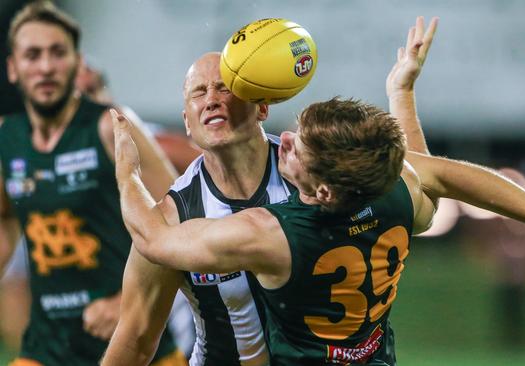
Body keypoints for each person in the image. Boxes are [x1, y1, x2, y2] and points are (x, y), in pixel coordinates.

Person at [101, 16, 438, 366]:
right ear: (187, 121)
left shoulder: (314, 175)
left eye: (226, 87)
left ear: (263, 106)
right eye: (198, 93)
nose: (212, 100)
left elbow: (415, 187)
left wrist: (402, 93)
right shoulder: (174, 216)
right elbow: (137, 338)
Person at [0, 2, 185, 365]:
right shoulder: (8, 138)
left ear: (76, 61)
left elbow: (182, 214)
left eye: (57, 53)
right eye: (32, 55)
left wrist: (127, 303)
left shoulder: (109, 127)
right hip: (47, 348)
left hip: (134, 344)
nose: (46, 66)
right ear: (12, 68)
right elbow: (4, 218)